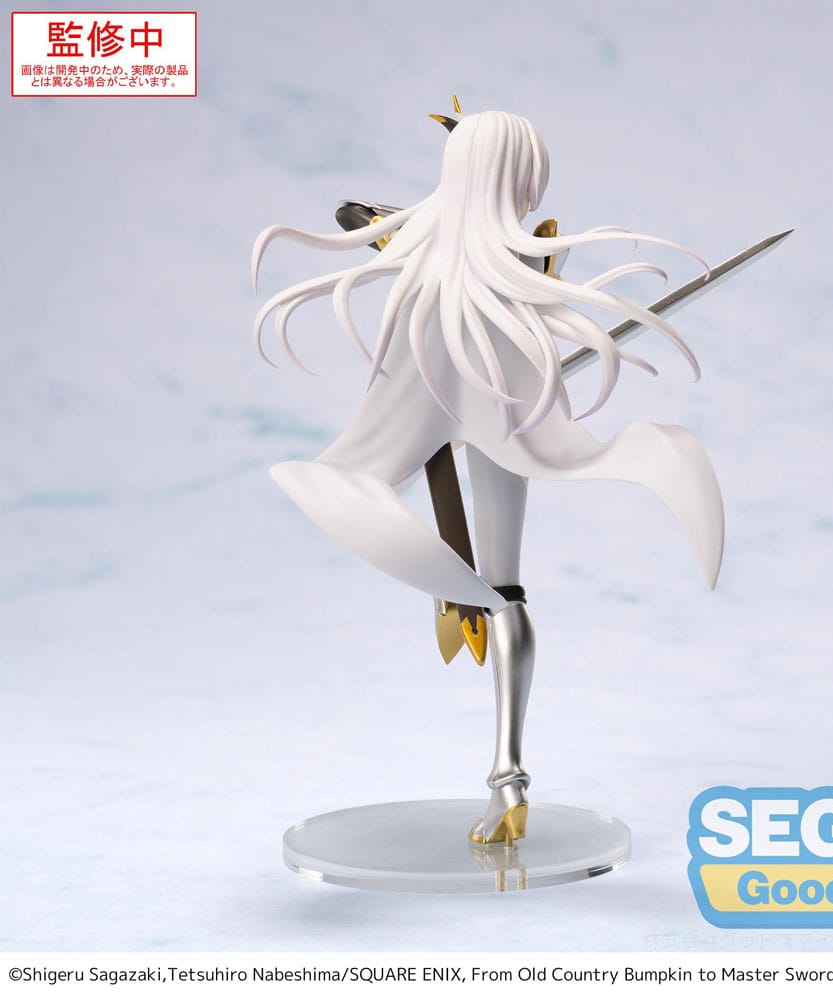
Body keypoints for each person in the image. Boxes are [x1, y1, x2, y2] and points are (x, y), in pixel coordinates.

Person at [253, 108, 724, 846]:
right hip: (496, 423)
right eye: (527, 176)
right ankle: (509, 778)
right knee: (501, 587)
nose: (533, 193)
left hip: (502, 419)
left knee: (496, 587)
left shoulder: (466, 261)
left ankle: (507, 774)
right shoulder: (466, 261)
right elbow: (409, 365)